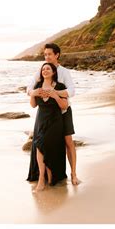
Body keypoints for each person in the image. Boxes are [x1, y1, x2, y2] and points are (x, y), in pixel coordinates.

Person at [27, 43, 79, 185]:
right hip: (47, 114)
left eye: (50, 54)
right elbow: (29, 88)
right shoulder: (41, 71)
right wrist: (34, 93)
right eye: (45, 55)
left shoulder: (64, 72)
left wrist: (55, 93)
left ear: (57, 55)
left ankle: (74, 174)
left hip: (63, 111)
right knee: (43, 142)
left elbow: (72, 91)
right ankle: (45, 176)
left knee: (68, 141)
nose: (47, 57)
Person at [27, 62, 69, 191]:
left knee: (48, 145)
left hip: (55, 121)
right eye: (43, 69)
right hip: (41, 120)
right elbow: (33, 105)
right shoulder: (38, 86)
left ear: (53, 72)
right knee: (39, 144)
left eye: (48, 69)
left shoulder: (60, 86)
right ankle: (41, 177)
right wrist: (33, 94)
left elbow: (64, 106)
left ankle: (50, 174)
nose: (45, 71)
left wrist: (55, 96)